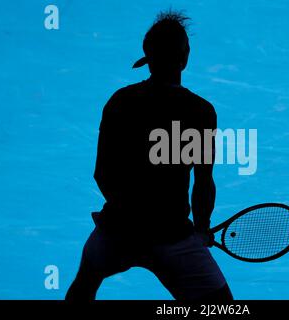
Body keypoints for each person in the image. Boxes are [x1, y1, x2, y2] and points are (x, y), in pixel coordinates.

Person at [65, 10, 233, 301]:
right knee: (222, 307)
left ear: (147, 56)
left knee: (85, 284)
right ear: (185, 58)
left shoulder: (121, 102)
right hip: (174, 236)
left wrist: (131, 220)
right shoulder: (200, 111)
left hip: (118, 230)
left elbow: (102, 174)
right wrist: (202, 228)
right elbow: (203, 181)